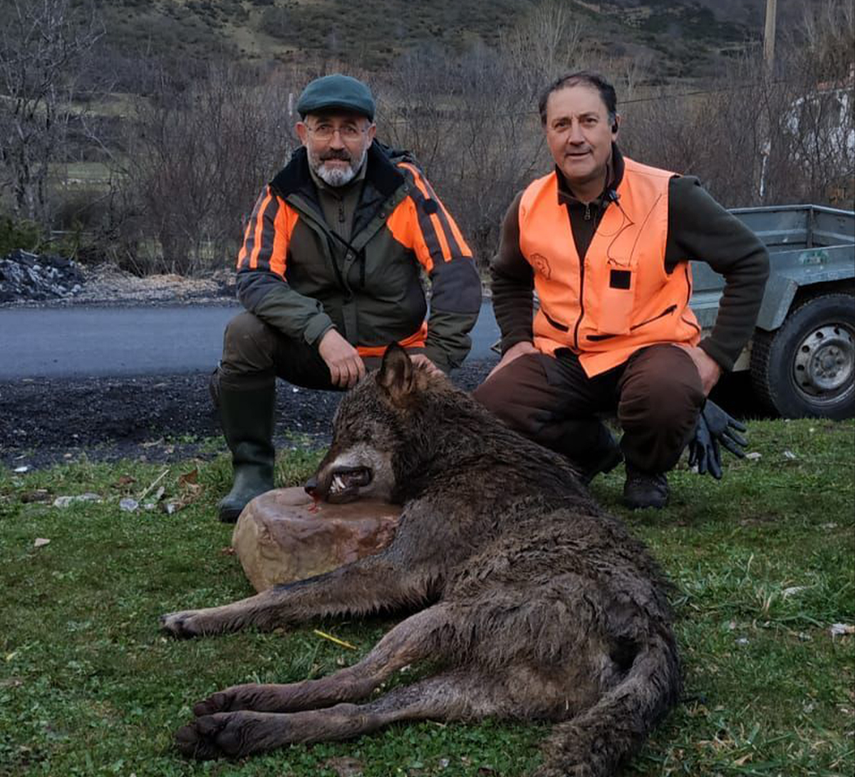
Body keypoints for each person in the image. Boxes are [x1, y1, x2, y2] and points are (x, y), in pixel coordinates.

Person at [473, 71, 769, 510]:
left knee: (667, 392)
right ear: (546, 133)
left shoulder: (669, 196)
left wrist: (715, 357)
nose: (575, 137)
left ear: (614, 126)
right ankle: (590, 450)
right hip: (566, 359)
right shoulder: (529, 204)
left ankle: (645, 468)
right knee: (490, 406)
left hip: (650, 351)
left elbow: (750, 260)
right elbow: (508, 275)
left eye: (589, 121)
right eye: (561, 124)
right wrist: (517, 342)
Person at [214, 74, 482, 522]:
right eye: (323, 128)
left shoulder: (406, 188)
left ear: (370, 134)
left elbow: (456, 270)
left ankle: (416, 480)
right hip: (318, 352)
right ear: (303, 134)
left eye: (350, 129)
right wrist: (320, 333)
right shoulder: (281, 193)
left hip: (396, 362)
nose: (335, 142)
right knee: (243, 334)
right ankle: (252, 472)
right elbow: (255, 277)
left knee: (460, 429)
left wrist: (439, 354)